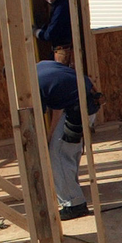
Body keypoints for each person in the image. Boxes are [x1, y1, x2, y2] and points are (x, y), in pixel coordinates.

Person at [37, 42, 101, 220]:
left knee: (57, 155)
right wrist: (51, 136)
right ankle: (72, 193)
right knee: (67, 152)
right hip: (86, 103)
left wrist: (48, 140)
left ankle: (74, 204)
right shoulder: (42, 66)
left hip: (77, 110)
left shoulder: (33, 85)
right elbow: (59, 103)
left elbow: (34, 121)